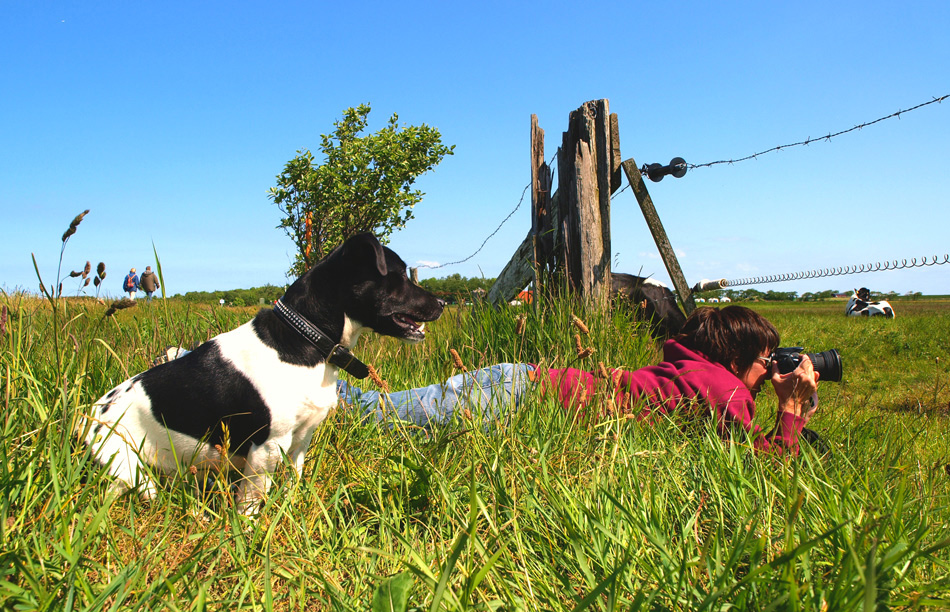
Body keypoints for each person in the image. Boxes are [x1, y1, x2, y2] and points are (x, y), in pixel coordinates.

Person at [338, 306, 820, 455]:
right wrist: (792, 410)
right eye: (765, 360)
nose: (770, 370)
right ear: (734, 357)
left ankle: (314, 380)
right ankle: (299, 377)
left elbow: (733, 441)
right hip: (518, 399)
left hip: (519, 382)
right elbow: (764, 464)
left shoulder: (696, 373)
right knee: (370, 415)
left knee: (373, 409)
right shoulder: (726, 390)